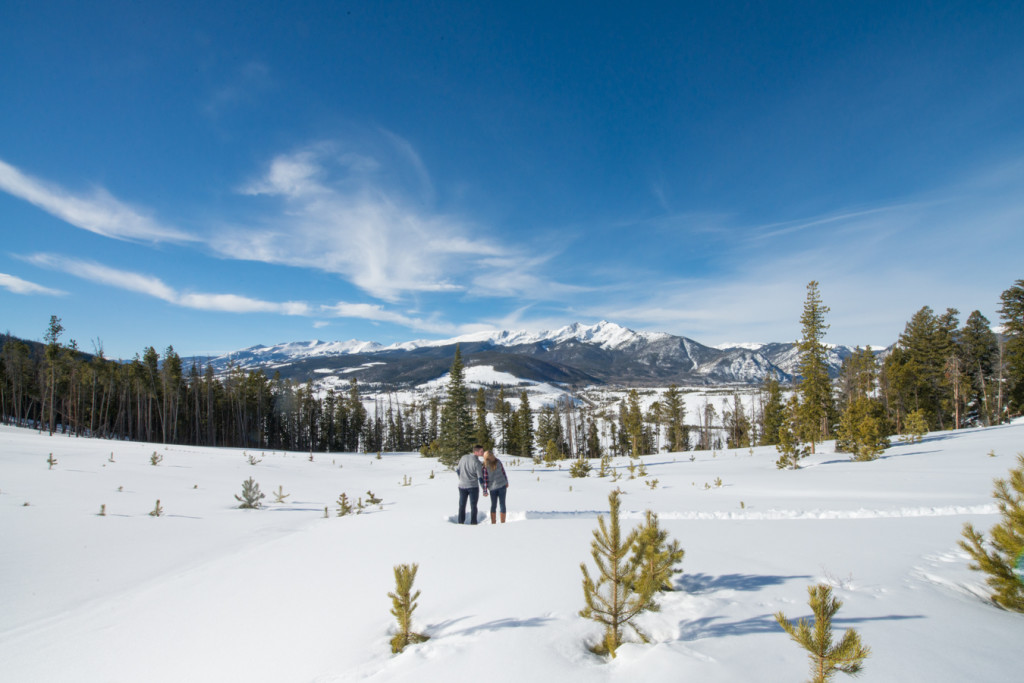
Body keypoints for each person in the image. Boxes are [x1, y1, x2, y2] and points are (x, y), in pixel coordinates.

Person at [456, 445, 484, 524]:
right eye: (481, 451)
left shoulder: (463, 457)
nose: (483, 453)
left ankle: (460, 522)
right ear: (476, 452)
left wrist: (461, 478)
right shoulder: (477, 463)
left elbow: (457, 470)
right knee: (473, 506)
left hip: (462, 486)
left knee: (462, 505)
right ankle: (473, 523)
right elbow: (480, 478)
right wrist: (484, 489)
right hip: (473, 487)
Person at [481, 449, 509, 524]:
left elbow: (485, 479)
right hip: (502, 485)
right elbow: (503, 472)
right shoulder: (498, 461)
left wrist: (485, 490)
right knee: (502, 504)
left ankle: (493, 522)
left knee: (493, 505)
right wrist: (506, 481)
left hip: (493, 488)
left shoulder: (485, 466)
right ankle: (503, 522)